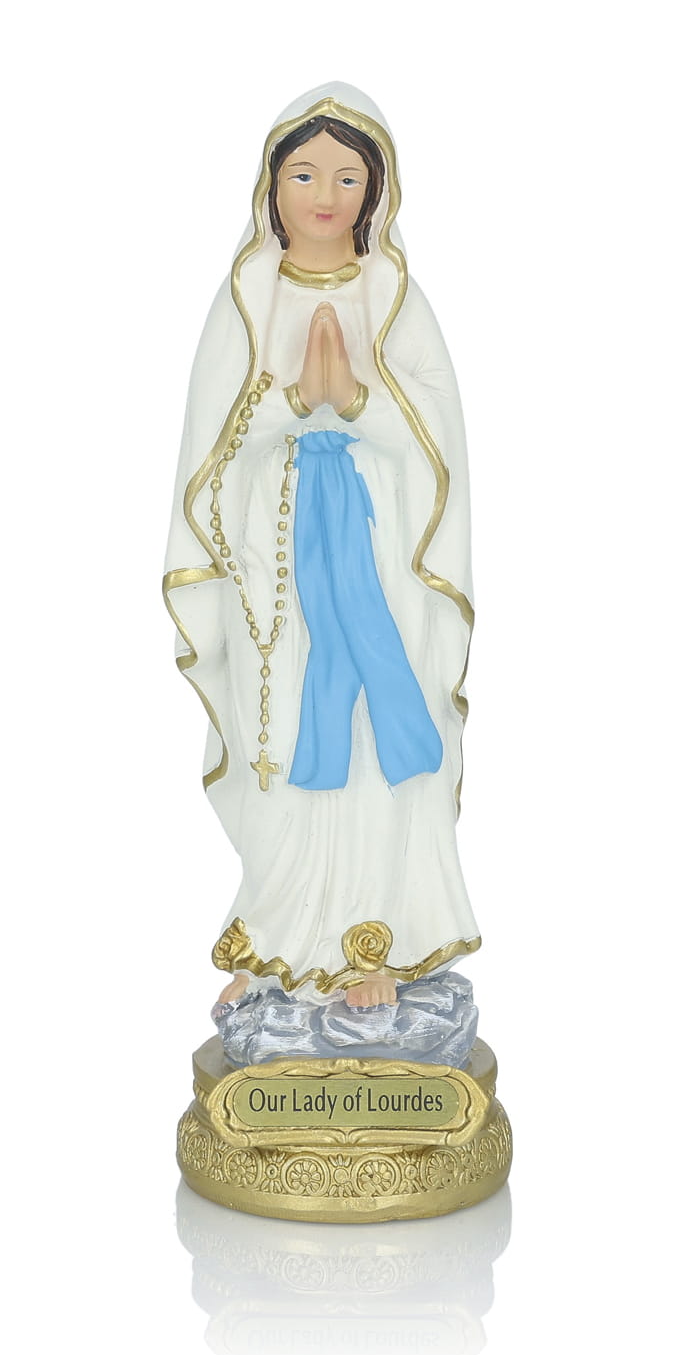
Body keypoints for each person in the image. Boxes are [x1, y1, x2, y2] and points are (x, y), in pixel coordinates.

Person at [164, 83, 479, 1020]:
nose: (326, 195)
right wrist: (297, 403)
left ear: (377, 188)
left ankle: (371, 941)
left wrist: (362, 404)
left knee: (372, 743)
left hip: (378, 567)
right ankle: (280, 939)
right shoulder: (245, 300)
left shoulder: (395, 297)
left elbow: (441, 444)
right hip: (277, 579)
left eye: (348, 176)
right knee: (286, 741)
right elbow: (209, 455)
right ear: (272, 185)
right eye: (305, 173)